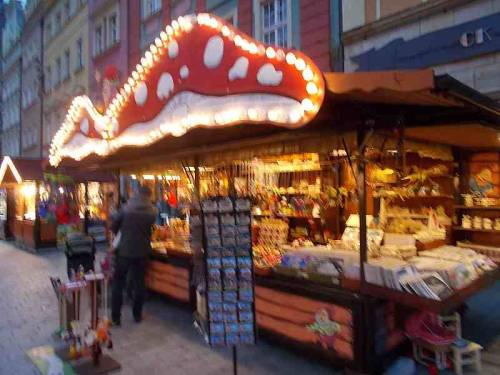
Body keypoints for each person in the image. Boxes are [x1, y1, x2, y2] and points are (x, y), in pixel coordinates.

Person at [111, 186, 156, 325]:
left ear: (136, 193)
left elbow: (114, 226)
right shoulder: (152, 211)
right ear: (149, 195)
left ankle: (116, 317)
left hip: (124, 251)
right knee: (139, 284)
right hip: (142, 252)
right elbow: (150, 229)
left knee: (118, 283)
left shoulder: (126, 208)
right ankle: (137, 315)